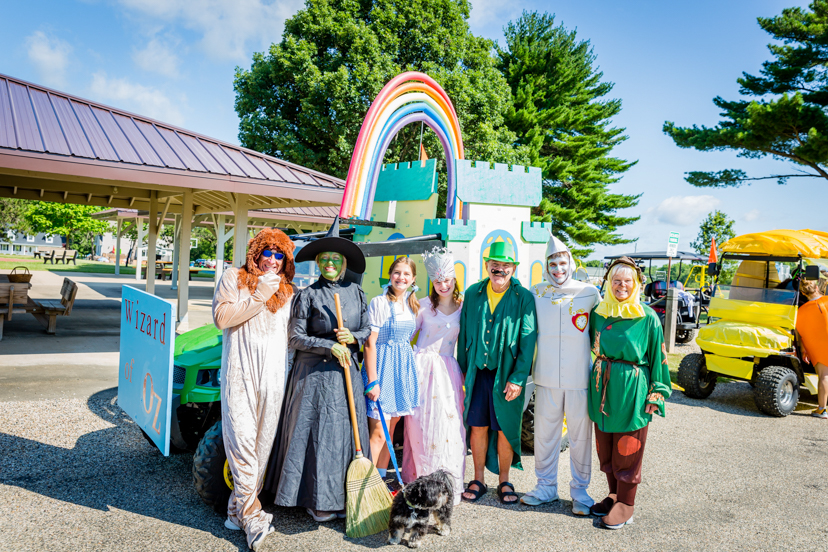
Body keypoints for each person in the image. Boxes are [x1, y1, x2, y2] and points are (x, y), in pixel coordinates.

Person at [263, 219, 371, 523]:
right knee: (320, 438)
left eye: (335, 259)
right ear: (318, 262)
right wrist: (329, 346)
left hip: (346, 373)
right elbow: (295, 337)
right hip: (313, 378)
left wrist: (354, 338)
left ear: (344, 261)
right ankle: (316, 500)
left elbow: (365, 330)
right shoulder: (307, 295)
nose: (330, 264)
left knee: (344, 437)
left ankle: (343, 498)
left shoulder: (357, 293)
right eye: (324, 259)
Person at [212, 228, 296, 551]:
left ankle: (236, 512)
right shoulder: (234, 277)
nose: (272, 260)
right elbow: (222, 317)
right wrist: (258, 295)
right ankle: (254, 516)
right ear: (255, 252)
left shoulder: (289, 291)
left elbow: (289, 338)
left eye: (279, 255)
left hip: (274, 377)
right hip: (240, 373)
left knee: (261, 447)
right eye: (267, 252)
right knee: (242, 442)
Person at [587, 257, 672, 529]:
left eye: (627, 281)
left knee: (628, 448)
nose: (621, 286)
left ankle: (627, 505)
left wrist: (657, 391)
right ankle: (614, 495)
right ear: (609, 283)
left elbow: (659, 356)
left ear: (636, 284)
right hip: (603, 386)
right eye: (616, 281)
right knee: (606, 448)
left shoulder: (647, 318)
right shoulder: (599, 313)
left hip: (632, 388)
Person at [521, 236, 601, 516]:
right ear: (546, 265)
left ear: (571, 263)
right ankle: (545, 487)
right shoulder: (536, 292)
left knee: (580, 436)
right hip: (545, 378)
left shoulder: (589, 292)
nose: (558, 268)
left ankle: (580, 491)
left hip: (579, 378)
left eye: (562, 262)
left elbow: (603, 327)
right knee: (544, 435)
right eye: (552, 263)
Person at [457, 241, 537, 505]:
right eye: (495, 264)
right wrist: (463, 373)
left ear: (513, 268)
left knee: (504, 428)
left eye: (505, 265)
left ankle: (505, 480)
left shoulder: (523, 297)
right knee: (477, 426)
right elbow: (465, 335)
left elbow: (528, 339)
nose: (499, 269)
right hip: (478, 373)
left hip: (507, 374)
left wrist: (517, 378)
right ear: (487, 265)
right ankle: (478, 478)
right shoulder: (472, 293)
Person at [402, 247, 466, 504]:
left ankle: (447, 483)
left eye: (447, 280)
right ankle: (421, 480)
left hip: (449, 370)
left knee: (450, 425)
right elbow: (405, 335)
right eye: (438, 281)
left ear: (454, 279)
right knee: (423, 426)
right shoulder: (425, 306)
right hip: (423, 369)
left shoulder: (464, 307)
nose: (443, 285)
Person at [363, 257, 420, 480]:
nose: (401, 277)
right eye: (397, 272)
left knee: (391, 432)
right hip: (382, 369)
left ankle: (379, 481)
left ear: (413, 279)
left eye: (406, 274)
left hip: (401, 372)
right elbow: (370, 343)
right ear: (390, 275)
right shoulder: (379, 302)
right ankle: (364, 487)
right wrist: (373, 380)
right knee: (378, 432)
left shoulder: (412, 304)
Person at [796, 278, 828, 419]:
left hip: (818, 345)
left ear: (803, 293)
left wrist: (804, 350)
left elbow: (802, 333)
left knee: (824, 376)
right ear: (817, 288)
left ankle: (822, 409)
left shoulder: (801, 311)